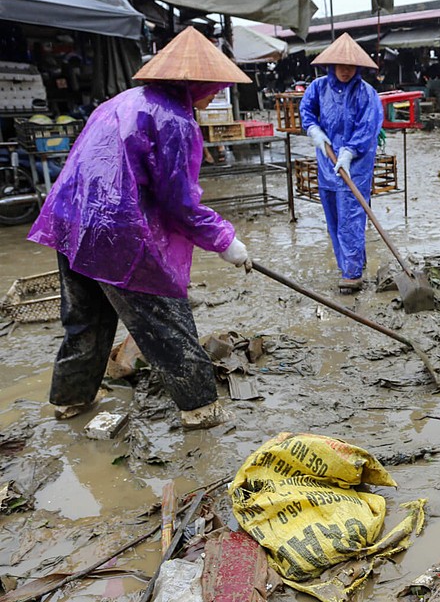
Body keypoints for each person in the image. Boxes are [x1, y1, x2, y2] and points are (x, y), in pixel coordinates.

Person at [26, 27, 253, 430]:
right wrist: (225, 240)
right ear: (194, 82)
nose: (217, 93)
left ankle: (70, 400)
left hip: (72, 224)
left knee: (85, 320)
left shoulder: (120, 101)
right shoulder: (173, 120)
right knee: (165, 322)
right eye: (215, 86)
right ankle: (201, 409)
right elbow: (179, 201)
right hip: (119, 235)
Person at [299, 33, 383, 294]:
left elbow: (368, 127)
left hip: (354, 167)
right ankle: (348, 263)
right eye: (341, 66)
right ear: (331, 65)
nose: (345, 71)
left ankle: (352, 273)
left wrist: (349, 152)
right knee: (334, 219)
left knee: (351, 217)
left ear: (357, 68)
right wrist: (313, 130)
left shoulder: (366, 93)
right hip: (327, 164)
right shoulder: (318, 88)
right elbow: (306, 111)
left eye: (350, 66)